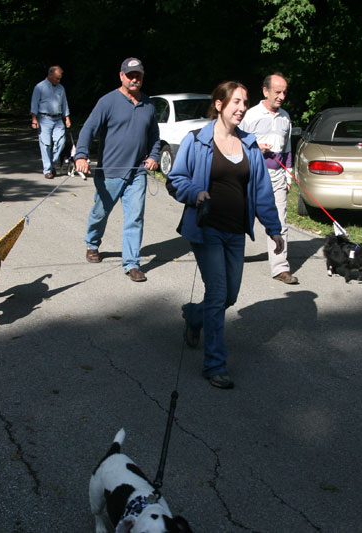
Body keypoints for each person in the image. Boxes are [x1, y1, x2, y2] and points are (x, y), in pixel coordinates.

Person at [167, 81, 283, 389]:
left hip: (235, 232)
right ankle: (215, 364)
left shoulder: (249, 144)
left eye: (244, 102)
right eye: (236, 101)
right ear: (219, 104)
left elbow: (261, 191)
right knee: (218, 294)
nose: (242, 107)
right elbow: (175, 179)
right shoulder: (197, 141)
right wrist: (195, 193)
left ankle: (194, 315)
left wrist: (274, 228)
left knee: (229, 296)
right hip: (206, 229)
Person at [74, 58, 160, 282]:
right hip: (109, 172)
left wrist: (153, 156)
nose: (134, 79)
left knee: (135, 217)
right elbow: (89, 129)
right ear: (121, 76)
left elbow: (154, 137)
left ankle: (132, 264)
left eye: (138, 75)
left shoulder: (149, 105)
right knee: (100, 213)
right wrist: (81, 155)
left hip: (137, 172)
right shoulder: (108, 102)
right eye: (130, 75)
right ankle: (92, 243)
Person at [240, 73, 298, 284]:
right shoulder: (250, 115)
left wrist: (289, 176)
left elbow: (288, 150)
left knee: (280, 221)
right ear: (265, 91)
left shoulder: (285, 117)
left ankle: (280, 268)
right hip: (250, 174)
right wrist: (256, 148)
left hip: (276, 177)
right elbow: (236, 143)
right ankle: (230, 255)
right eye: (277, 92)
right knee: (239, 217)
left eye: (284, 92)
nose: (281, 96)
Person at [31, 66, 71, 178]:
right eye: (57, 78)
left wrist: (67, 117)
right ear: (50, 75)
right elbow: (34, 103)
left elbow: (64, 104)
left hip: (58, 119)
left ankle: (52, 163)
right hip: (44, 118)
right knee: (46, 144)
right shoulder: (39, 87)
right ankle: (47, 170)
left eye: (60, 79)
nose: (58, 81)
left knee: (61, 141)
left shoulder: (61, 88)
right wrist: (34, 119)